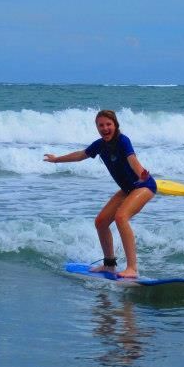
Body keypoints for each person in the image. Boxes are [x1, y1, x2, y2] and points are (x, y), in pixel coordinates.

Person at [44, 109, 156, 278]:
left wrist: (141, 174)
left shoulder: (123, 141)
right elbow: (81, 155)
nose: (105, 128)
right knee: (101, 222)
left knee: (121, 217)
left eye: (108, 124)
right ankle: (109, 265)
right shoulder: (100, 145)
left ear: (115, 125)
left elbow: (132, 160)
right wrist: (56, 160)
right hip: (127, 189)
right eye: (101, 125)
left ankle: (132, 268)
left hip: (143, 185)